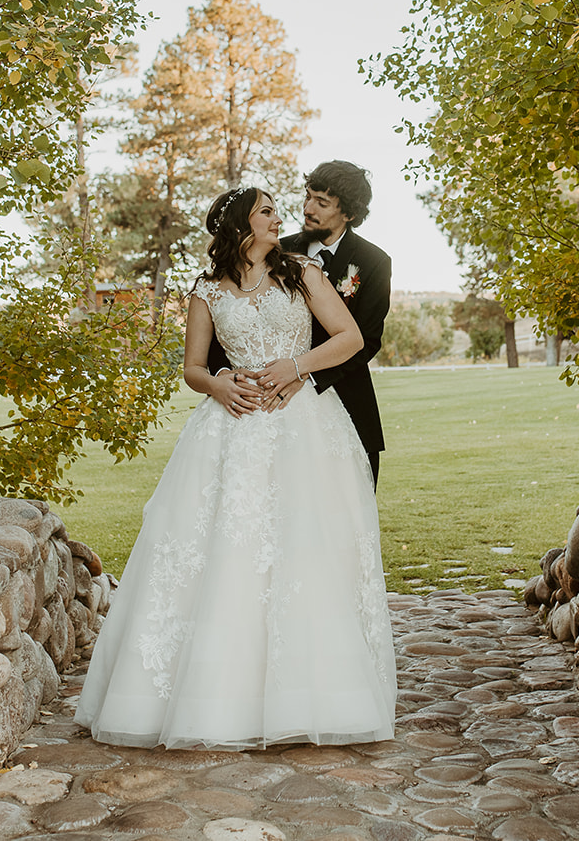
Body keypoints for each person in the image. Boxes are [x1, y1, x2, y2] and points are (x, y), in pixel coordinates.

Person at [73, 187, 396, 749]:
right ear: (241, 226)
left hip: (304, 426)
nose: (280, 218)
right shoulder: (205, 290)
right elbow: (193, 369)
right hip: (230, 429)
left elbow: (350, 337)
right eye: (267, 210)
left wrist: (296, 366)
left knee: (304, 552)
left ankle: (314, 694)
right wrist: (219, 385)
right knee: (226, 553)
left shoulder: (301, 273)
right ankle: (218, 699)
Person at [210, 161, 392, 485]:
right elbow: (227, 318)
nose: (307, 208)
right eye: (308, 196)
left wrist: (301, 371)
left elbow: (367, 340)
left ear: (348, 213)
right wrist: (223, 375)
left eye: (321, 203)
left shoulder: (374, 262)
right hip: (265, 406)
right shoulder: (275, 247)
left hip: (345, 401)